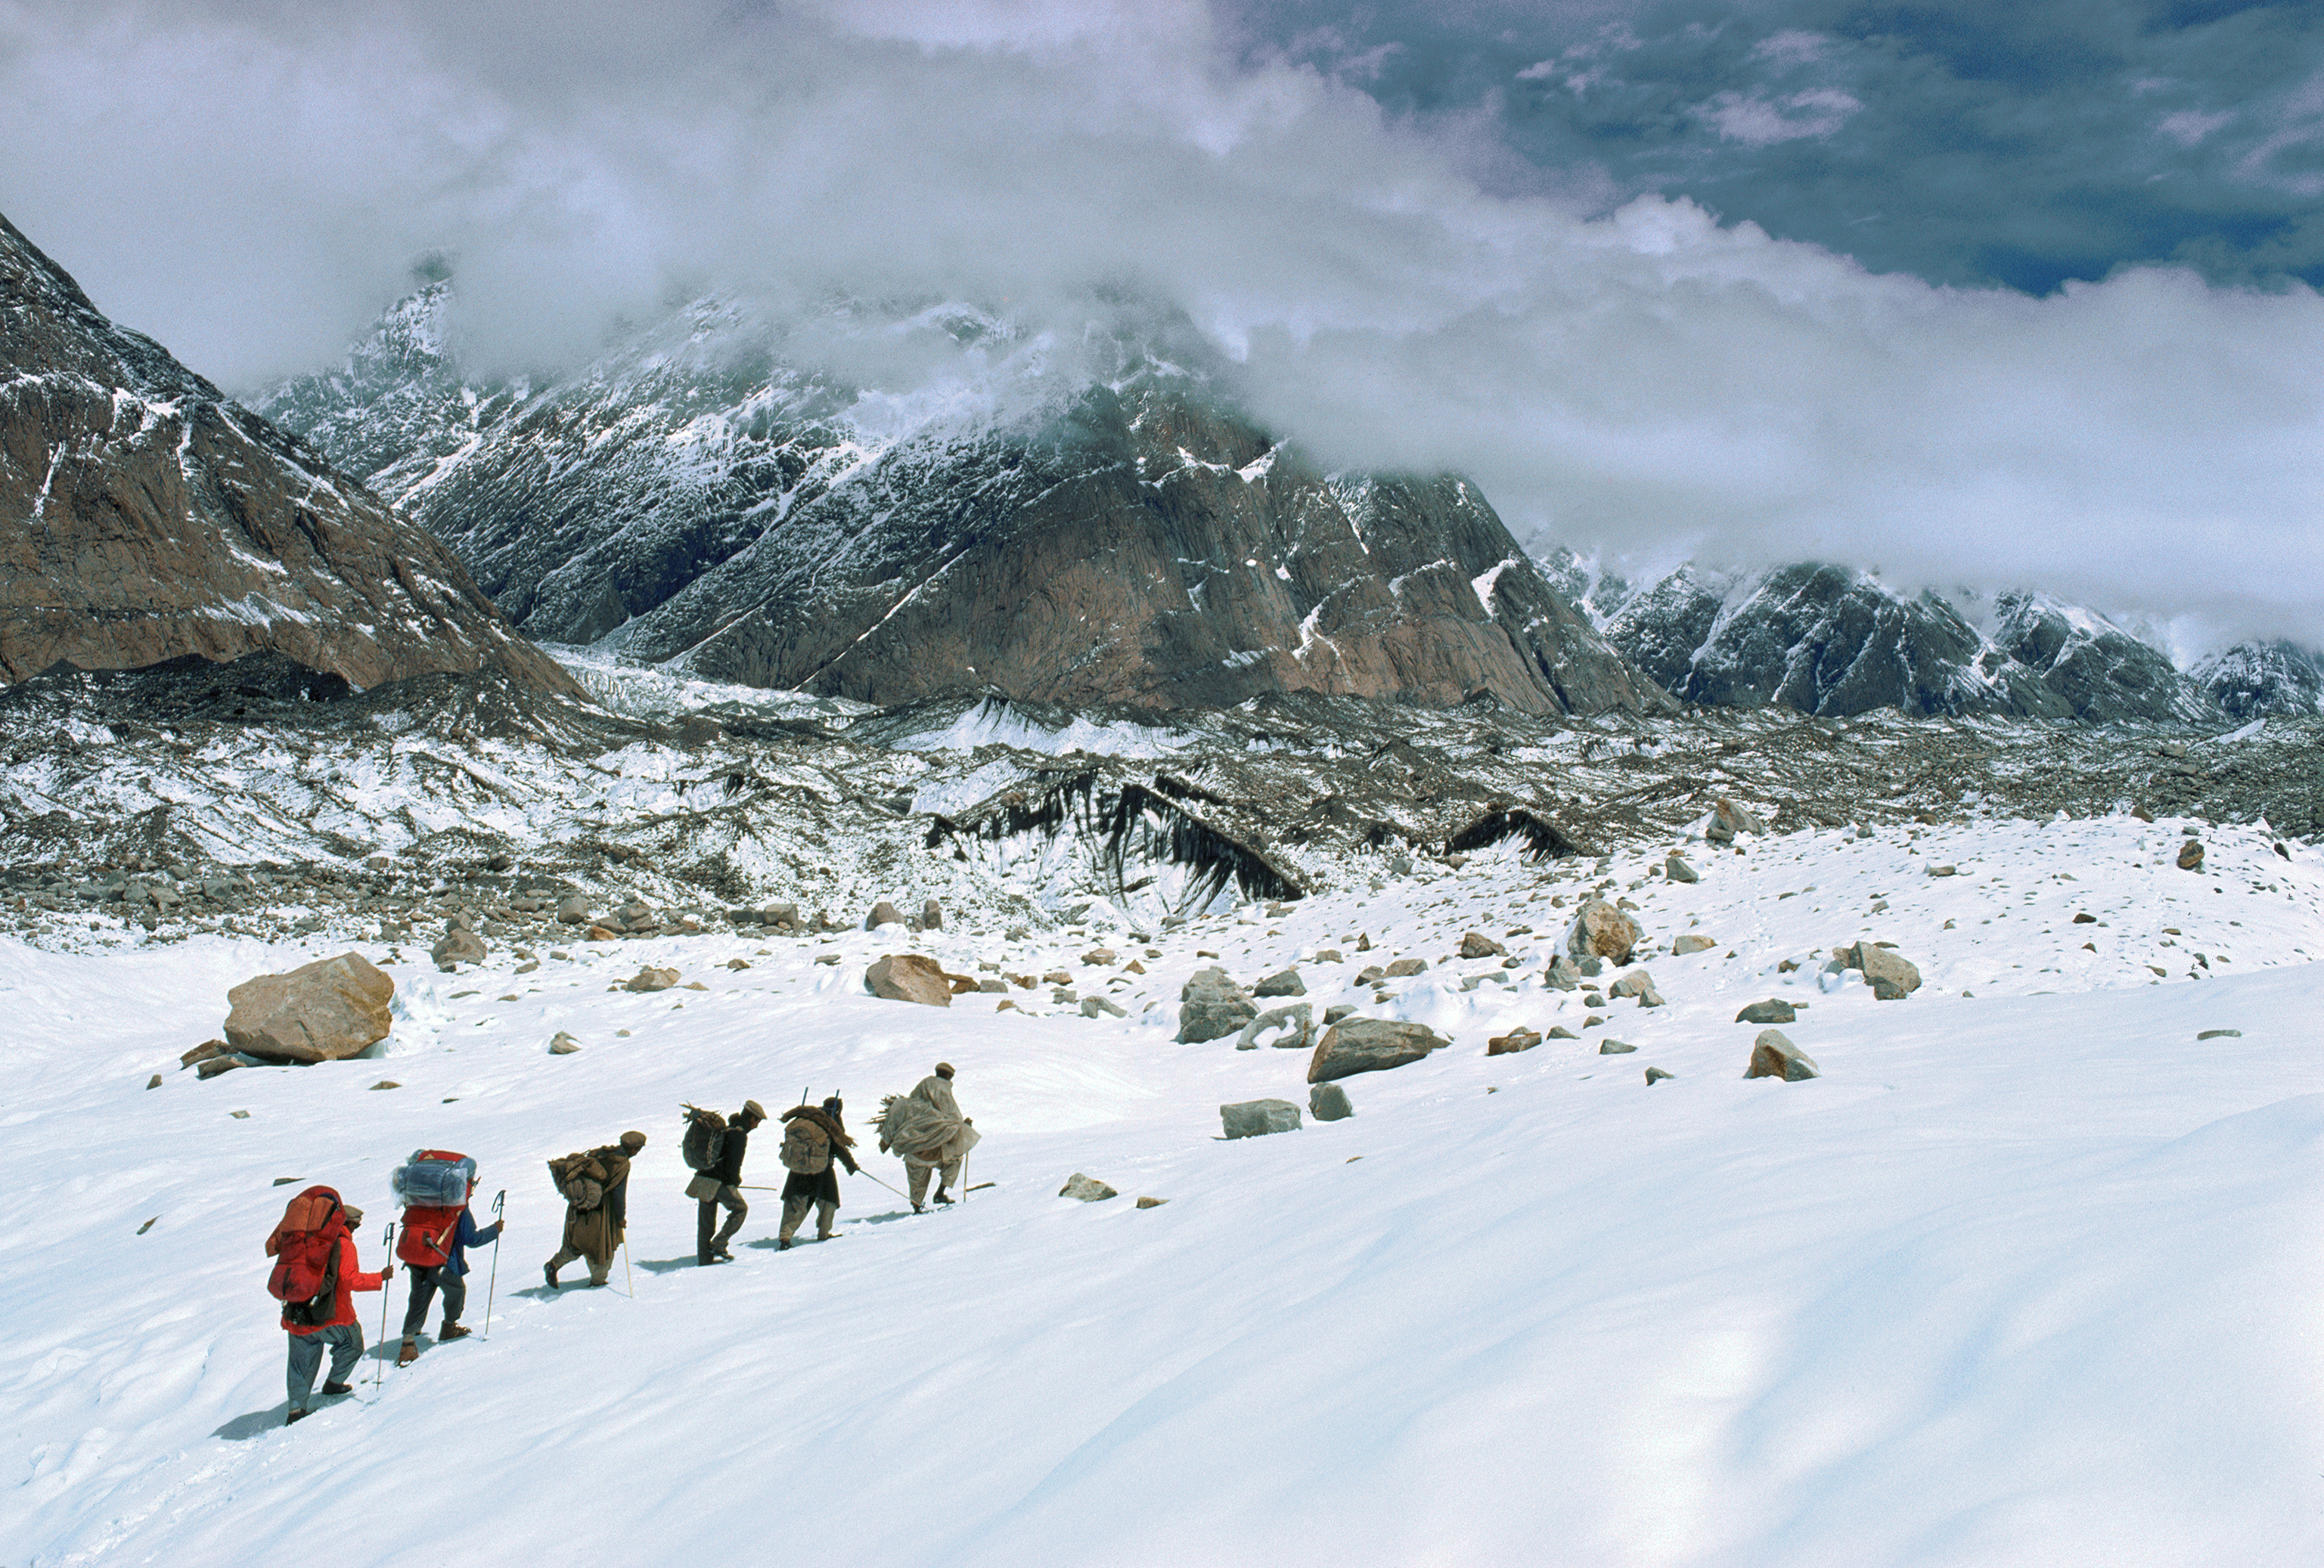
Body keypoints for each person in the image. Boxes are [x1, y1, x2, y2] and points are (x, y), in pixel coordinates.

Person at [267, 1190, 389, 1425]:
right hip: (333, 1315)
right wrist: (380, 1278)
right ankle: (334, 1384)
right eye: (355, 1225)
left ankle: (296, 1410)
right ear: (347, 1224)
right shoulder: (344, 1245)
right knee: (353, 1345)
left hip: (297, 1313)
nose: (355, 1230)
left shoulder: (303, 1241)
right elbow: (349, 1280)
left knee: (299, 1363)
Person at [399, 1178, 503, 1365]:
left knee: (418, 1298)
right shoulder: (458, 1208)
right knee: (457, 1291)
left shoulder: (421, 1202)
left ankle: (407, 1343)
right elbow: (472, 1239)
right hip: (444, 1261)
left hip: (417, 1259)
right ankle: (449, 1327)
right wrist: (495, 1230)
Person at [545, 1131, 646, 1289]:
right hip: (599, 1213)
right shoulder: (622, 1164)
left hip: (578, 1207)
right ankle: (598, 1284)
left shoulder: (602, 1153)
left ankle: (554, 1264)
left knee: (575, 1244)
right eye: (638, 1149)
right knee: (599, 1249)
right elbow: (619, 1194)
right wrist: (620, 1217)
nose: (638, 1152)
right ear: (633, 1148)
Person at [877, 1062, 980, 1213]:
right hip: (934, 1151)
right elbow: (954, 1120)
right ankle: (940, 1193)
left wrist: (885, 1142)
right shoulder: (943, 1089)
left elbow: (893, 1121)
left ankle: (917, 1206)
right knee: (955, 1159)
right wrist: (965, 1127)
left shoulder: (908, 1103)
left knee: (917, 1179)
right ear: (948, 1075)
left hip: (913, 1151)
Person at [777, 1097, 861, 1249]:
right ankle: (823, 1234)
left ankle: (785, 1237)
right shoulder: (830, 1123)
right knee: (828, 1202)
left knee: (795, 1204)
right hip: (822, 1171)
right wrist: (851, 1166)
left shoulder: (806, 1119)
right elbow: (839, 1147)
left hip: (798, 1169)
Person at [697, 1099, 766, 1265]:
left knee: (706, 1222)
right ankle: (719, 1244)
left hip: (703, 1178)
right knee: (741, 1209)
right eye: (758, 1121)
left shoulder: (728, 1129)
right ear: (751, 1118)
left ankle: (704, 1259)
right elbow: (733, 1164)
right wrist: (734, 1181)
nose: (757, 1126)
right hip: (719, 1181)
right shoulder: (739, 1134)